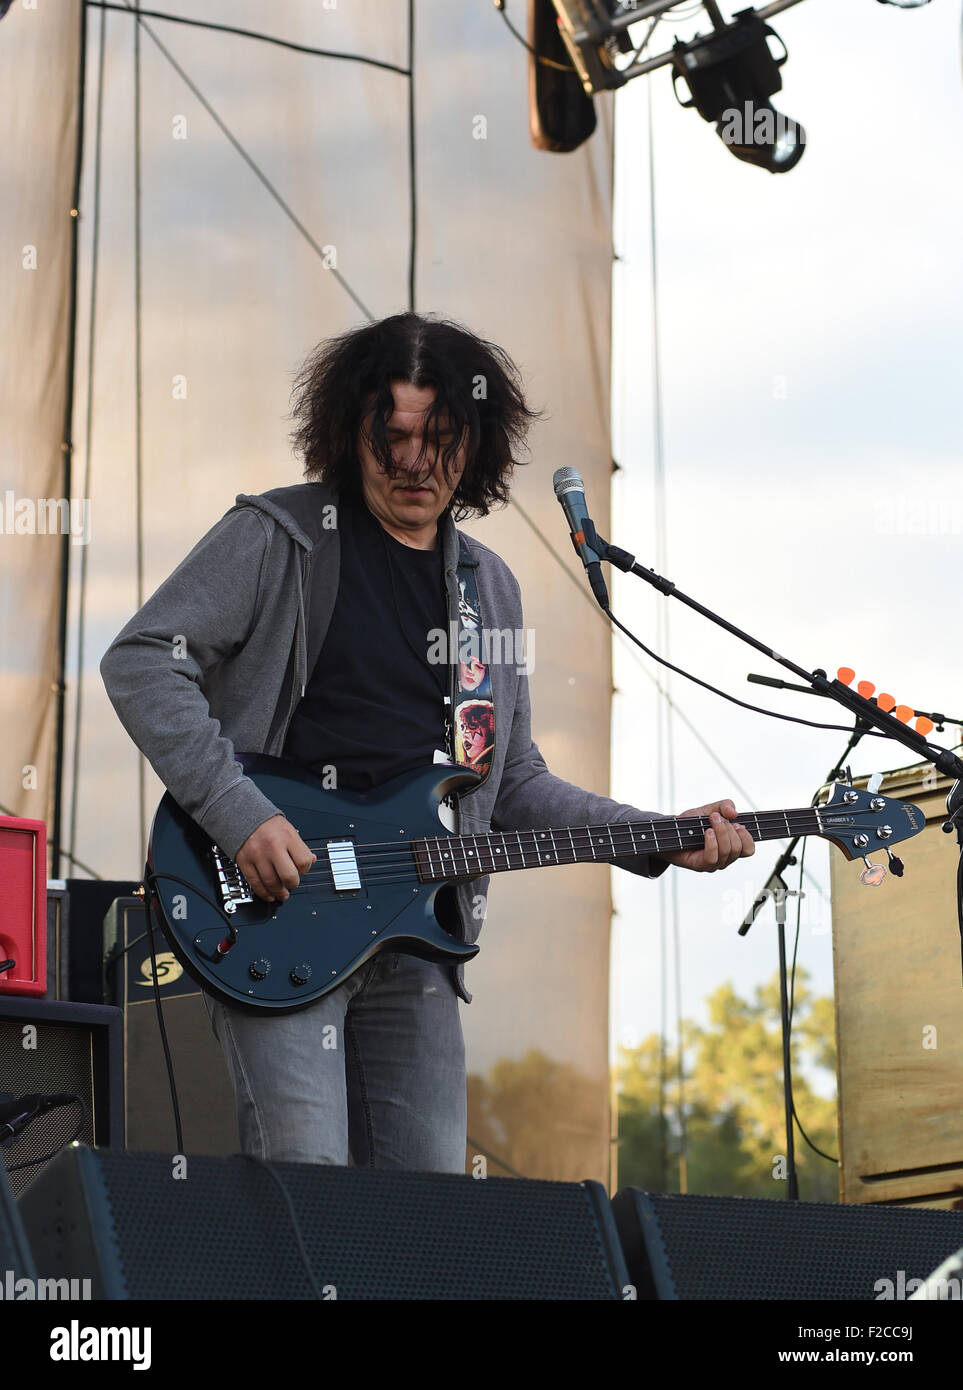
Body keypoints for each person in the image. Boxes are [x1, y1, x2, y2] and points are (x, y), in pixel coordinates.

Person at [100, 311, 754, 1173]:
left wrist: (656, 835)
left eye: (439, 438)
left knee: (428, 1216)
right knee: (306, 1187)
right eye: (392, 436)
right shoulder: (277, 536)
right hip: (274, 909)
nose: (414, 461)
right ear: (349, 434)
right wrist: (239, 815)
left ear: (476, 444)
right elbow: (143, 660)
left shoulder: (491, 588)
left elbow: (508, 783)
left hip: (416, 930)